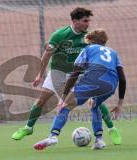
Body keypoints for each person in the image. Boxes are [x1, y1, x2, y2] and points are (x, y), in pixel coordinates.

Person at [12, 7, 121, 145]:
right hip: (58, 72)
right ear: (75, 21)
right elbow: (47, 55)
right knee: (41, 100)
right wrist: (40, 74)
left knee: (96, 101)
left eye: (88, 21)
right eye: (84, 21)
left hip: (78, 74)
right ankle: (28, 128)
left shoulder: (88, 38)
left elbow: (98, 54)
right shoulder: (59, 35)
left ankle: (112, 129)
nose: (87, 24)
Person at [33, 28, 126, 150]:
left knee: (65, 107)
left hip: (92, 80)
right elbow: (123, 79)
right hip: (111, 85)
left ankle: (53, 136)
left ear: (91, 40)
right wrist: (120, 104)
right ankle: (99, 140)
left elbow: (75, 73)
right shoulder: (113, 53)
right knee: (95, 105)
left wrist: (63, 97)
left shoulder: (88, 49)